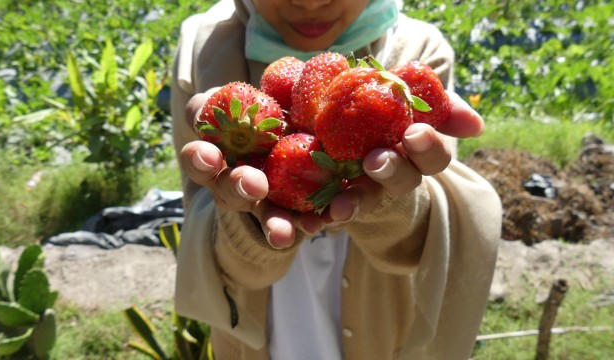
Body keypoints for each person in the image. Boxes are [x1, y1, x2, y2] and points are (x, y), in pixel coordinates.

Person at [170, 0, 502, 358]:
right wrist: (248, 219)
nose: (311, 2)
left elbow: (417, 250)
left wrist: (388, 197)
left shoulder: (419, 50)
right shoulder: (202, 48)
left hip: (382, 333)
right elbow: (212, 245)